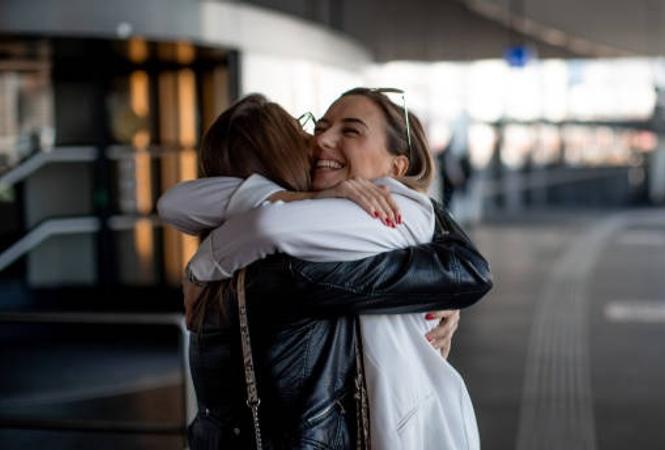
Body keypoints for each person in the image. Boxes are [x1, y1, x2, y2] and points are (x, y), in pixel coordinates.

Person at [158, 92, 491, 449]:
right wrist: (301, 200)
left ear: (397, 166)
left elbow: (465, 269)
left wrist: (200, 267)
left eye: (351, 131)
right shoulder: (291, 256)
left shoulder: (387, 209)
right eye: (318, 129)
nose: (321, 141)